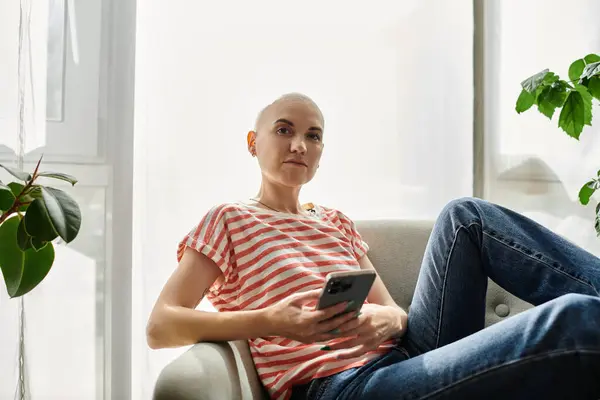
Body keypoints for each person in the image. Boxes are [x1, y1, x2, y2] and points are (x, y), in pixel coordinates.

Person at [146, 93, 600, 400]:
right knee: (575, 318)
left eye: (313, 135)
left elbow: (395, 314)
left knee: (465, 216)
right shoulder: (228, 219)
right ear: (253, 143)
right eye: (284, 130)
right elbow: (161, 326)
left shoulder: (334, 221)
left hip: (403, 359)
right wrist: (271, 322)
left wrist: (387, 318)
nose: (300, 145)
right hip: (339, 388)